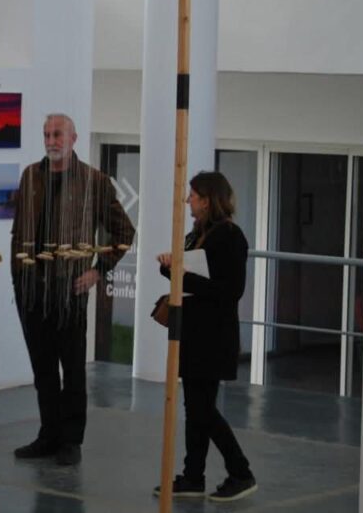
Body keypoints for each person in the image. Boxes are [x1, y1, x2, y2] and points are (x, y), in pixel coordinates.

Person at [10, 113, 135, 466]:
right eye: (47, 134)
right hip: (32, 290)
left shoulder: (95, 181)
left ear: (74, 138)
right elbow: (20, 230)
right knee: (43, 370)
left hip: (70, 290)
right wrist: (18, 275)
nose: (51, 141)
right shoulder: (31, 176)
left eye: (58, 134)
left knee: (73, 370)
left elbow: (124, 232)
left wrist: (98, 271)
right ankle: (48, 435)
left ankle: (71, 441)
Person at [153, 171, 257, 502]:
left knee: (202, 409)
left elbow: (230, 290)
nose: (188, 201)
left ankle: (240, 472)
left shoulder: (230, 237)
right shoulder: (197, 234)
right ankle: (193, 475)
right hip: (194, 333)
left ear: (208, 200)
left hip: (214, 336)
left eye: (194, 196)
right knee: (196, 407)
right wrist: (170, 268)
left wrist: (180, 274)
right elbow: (186, 276)